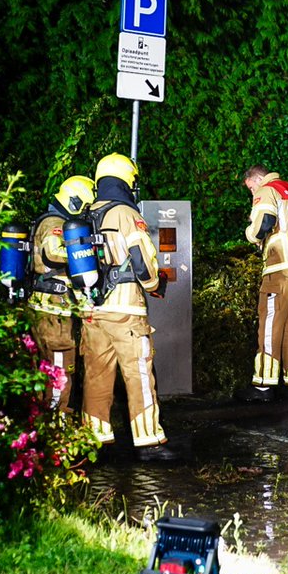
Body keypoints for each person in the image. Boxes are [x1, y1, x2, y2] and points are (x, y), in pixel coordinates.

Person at [79, 153, 176, 460]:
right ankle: (148, 441)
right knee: (139, 373)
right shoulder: (124, 212)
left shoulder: (85, 215)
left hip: (91, 310)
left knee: (96, 374)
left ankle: (94, 439)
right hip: (125, 310)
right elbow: (141, 257)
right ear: (125, 181)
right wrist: (154, 285)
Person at [237, 165, 288, 403]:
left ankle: (264, 385)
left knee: (270, 326)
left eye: (251, 188)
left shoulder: (268, 190)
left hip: (280, 268)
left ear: (258, 179)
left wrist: (251, 235)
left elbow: (264, 222)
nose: (253, 194)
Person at [28, 175, 95, 412]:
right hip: (53, 310)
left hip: (48, 308)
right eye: (85, 206)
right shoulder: (55, 222)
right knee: (59, 367)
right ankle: (57, 423)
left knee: (47, 367)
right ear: (74, 201)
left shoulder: (50, 219)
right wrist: (85, 253)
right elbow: (53, 253)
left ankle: (45, 421)